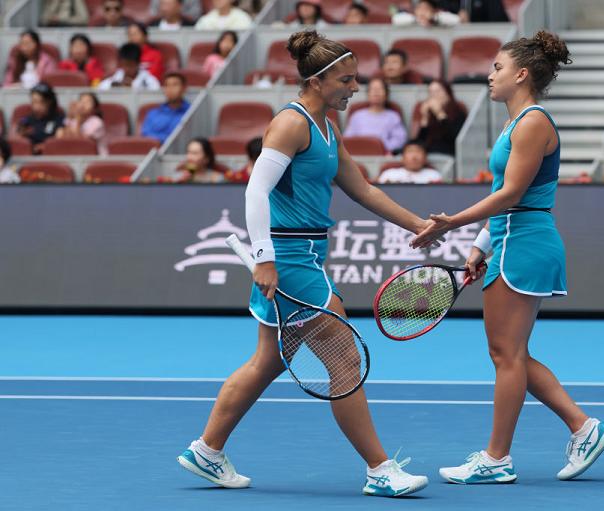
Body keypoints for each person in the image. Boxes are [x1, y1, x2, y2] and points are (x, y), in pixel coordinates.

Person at [176, 29, 432, 497]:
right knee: (345, 359)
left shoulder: (329, 128)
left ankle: (206, 451)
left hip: (309, 253)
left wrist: (417, 223)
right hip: (291, 258)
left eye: (356, 80)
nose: (354, 88)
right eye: (347, 80)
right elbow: (255, 190)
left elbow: (364, 189)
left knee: (268, 362)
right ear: (317, 81)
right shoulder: (290, 124)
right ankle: (379, 469)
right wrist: (263, 259)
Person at [411, 31, 604, 484]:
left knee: (505, 354)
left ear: (521, 74)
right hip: (510, 240)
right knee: (511, 352)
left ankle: (497, 458)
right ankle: (584, 427)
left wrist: (452, 223)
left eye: (498, 68)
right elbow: (505, 198)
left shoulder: (533, 123)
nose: (490, 75)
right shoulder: (514, 123)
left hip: (525, 244)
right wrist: (482, 244)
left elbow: (512, 194)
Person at [343, 77, 407, 153]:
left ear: (386, 94)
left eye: (380, 89)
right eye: (373, 89)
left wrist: (382, 148)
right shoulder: (357, 116)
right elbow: (348, 139)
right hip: (358, 154)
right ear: (368, 93)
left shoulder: (393, 116)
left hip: (383, 155)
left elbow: (399, 139)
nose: (376, 92)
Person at [413, 79, 466, 155]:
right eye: (431, 92)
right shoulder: (429, 112)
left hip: (448, 151)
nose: (434, 95)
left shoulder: (457, 110)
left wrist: (440, 113)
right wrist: (425, 117)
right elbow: (420, 142)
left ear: (447, 93)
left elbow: (455, 137)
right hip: (428, 152)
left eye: (438, 91)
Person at [16, 82, 65, 154]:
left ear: (49, 102)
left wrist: (44, 146)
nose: (36, 106)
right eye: (33, 102)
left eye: (40, 102)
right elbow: (17, 139)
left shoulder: (59, 119)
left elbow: (59, 141)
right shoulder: (26, 120)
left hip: (50, 157)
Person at [141, 72, 190, 143]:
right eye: (167, 85)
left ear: (184, 88)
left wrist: (160, 138)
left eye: (175, 85)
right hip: (155, 151)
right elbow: (146, 135)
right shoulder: (153, 114)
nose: (170, 89)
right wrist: (167, 139)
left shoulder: (192, 113)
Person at [378, 140, 442, 183]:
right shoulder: (389, 174)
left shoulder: (433, 175)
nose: (414, 157)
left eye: (418, 152)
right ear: (402, 158)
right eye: (410, 151)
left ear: (425, 158)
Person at [392, 0, 460, 27]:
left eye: (426, 8)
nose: (422, 11)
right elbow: (395, 19)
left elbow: (456, 20)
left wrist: (433, 18)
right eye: (419, 8)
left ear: (433, 11)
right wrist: (417, 19)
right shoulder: (409, 19)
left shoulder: (439, 19)